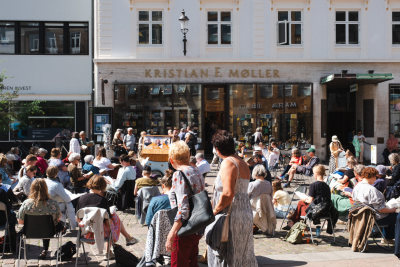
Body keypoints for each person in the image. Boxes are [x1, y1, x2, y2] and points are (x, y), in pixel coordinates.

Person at [206, 130, 257, 266]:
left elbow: (228, 193)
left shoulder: (228, 162)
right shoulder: (242, 162)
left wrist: (214, 211)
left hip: (231, 214)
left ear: (217, 149)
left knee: (225, 255)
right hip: (243, 212)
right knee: (241, 255)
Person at [75, 175, 138, 260]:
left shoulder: (81, 198)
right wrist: (111, 219)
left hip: (85, 232)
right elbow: (108, 223)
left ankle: (123, 241)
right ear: (103, 186)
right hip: (100, 233)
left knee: (109, 219)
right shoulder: (102, 201)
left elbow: (77, 219)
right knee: (113, 218)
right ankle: (109, 250)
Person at [165, 140, 206, 267]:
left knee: (179, 263)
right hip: (198, 225)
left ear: (171, 160)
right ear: (188, 156)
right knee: (192, 261)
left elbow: (183, 209)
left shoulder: (179, 174)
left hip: (185, 228)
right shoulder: (196, 170)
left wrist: (171, 234)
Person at [17, 178, 62, 260]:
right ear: (46, 188)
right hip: (49, 231)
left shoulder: (26, 203)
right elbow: (58, 218)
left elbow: (20, 221)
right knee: (52, 224)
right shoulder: (53, 202)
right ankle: (45, 249)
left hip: (29, 231)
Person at [352, 167, 399, 245]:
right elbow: (380, 209)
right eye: (376, 177)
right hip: (373, 218)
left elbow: (355, 202)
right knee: (397, 216)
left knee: (391, 214)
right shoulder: (371, 189)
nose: (376, 180)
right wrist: (392, 210)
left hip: (361, 216)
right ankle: (389, 238)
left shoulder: (357, 187)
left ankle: (388, 238)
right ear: (372, 176)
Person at [284, 165, 331, 229]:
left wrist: (304, 200)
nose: (313, 175)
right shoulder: (327, 186)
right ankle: (295, 223)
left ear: (316, 174)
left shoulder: (314, 185)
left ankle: (294, 223)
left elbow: (310, 201)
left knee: (301, 203)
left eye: (313, 173)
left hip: (316, 212)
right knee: (302, 205)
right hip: (326, 211)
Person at [45, 166, 77, 230]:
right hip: (56, 206)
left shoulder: (43, 182)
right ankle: (65, 226)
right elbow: (67, 198)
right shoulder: (56, 184)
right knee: (69, 202)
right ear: (56, 174)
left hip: (44, 206)